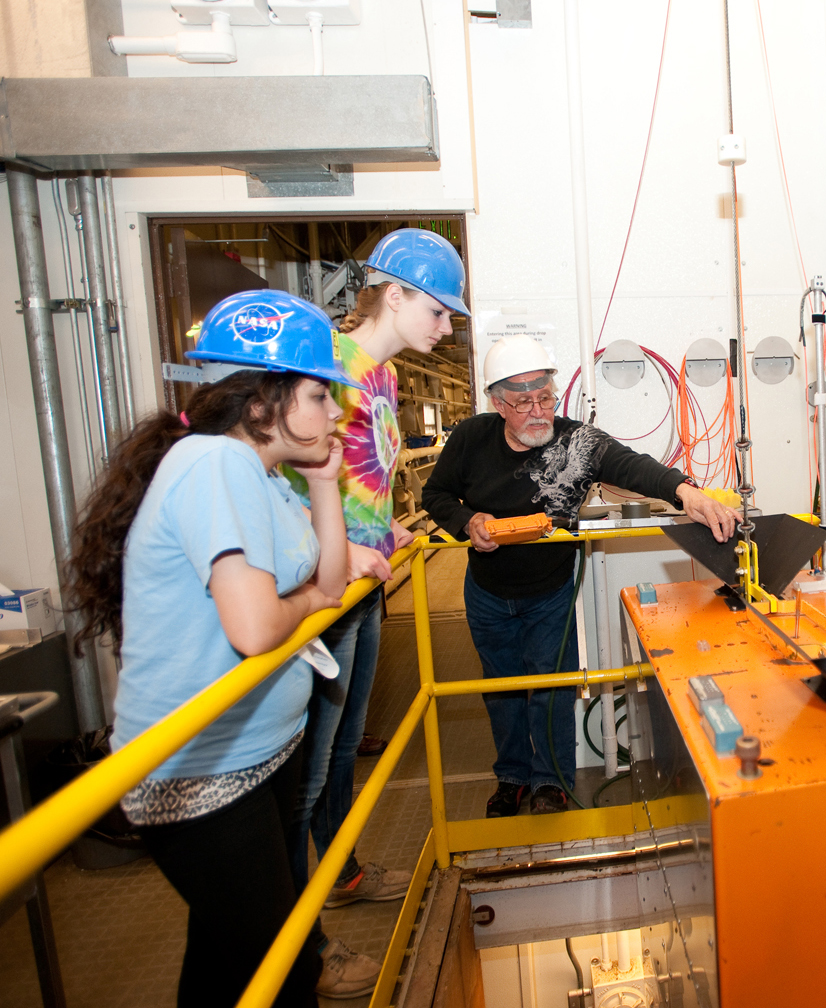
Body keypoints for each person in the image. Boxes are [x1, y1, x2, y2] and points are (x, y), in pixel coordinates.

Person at [64, 290, 360, 1008]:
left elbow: (329, 578)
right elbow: (256, 627)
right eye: (319, 395)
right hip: (200, 776)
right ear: (263, 402)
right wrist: (311, 606)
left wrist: (323, 485)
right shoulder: (212, 466)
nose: (333, 414)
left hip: (257, 752)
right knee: (281, 972)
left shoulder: (260, 475)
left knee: (226, 962)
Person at [421, 334, 740, 816]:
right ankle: (511, 778)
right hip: (487, 590)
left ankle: (550, 781)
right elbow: (436, 495)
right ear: (497, 403)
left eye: (545, 397)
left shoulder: (578, 442)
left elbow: (633, 466)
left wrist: (686, 493)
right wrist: (468, 523)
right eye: (523, 401)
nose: (538, 411)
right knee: (500, 687)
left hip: (550, 592)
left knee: (552, 687)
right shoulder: (470, 438)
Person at [279, 227, 472, 996]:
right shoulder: (324, 365)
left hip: (364, 578)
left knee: (340, 749)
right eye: (439, 310)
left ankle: (345, 868)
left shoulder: (385, 377)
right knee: (304, 768)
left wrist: (378, 530)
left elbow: (361, 477)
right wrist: (337, 547)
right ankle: (308, 948)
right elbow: (289, 479)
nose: (448, 327)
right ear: (393, 294)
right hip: (320, 586)